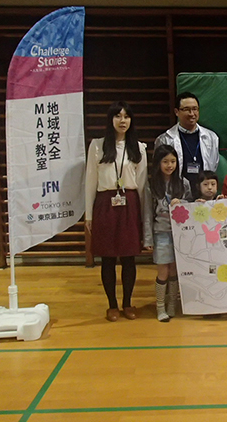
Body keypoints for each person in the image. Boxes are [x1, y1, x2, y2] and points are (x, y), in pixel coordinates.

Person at [85, 101, 152, 322]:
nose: (122, 121)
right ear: (110, 119)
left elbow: (142, 185)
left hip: (130, 203)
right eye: (118, 116)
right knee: (107, 258)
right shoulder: (97, 145)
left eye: (126, 116)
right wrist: (89, 215)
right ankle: (112, 305)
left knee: (129, 257)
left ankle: (128, 303)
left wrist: (143, 216)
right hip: (105, 203)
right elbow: (90, 182)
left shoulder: (139, 148)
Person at [149, 144, 192, 322]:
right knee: (163, 271)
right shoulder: (152, 185)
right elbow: (147, 213)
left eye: (173, 161)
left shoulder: (183, 183)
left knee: (175, 270)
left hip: (179, 233)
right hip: (161, 232)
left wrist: (181, 202)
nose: (169, 165)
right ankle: (160, 306)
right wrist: (147, 238)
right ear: (158, 163)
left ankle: (172, 304)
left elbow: (191, 207)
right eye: (165, 161)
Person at [155, 92, 219, 195]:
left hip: (204, 194)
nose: (192, 113)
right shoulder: (165, 139)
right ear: (176, 112)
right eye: (186, 109)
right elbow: (159, 170)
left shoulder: (211, 137)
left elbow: (214, 165)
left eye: (195, 109)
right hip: (176, 194)